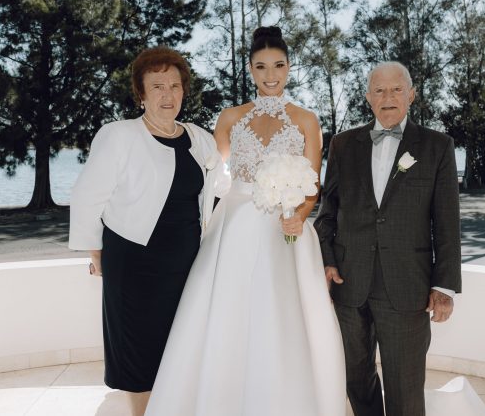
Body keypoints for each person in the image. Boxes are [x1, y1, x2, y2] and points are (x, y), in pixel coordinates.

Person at [144, 26, 347, 416]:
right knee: (226, 317)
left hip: (286, 233)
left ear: (289, 67)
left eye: (279, 65)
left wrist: (300, 215)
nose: (271, 75)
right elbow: (212, 174)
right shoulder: (230, 118)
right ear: (250, 70)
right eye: (261, 67)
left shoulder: (307, 120)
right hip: (234, 228)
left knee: (282, 319)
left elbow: (313, 185)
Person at [68, 46, 225, 416]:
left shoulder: (199, 138)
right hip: (133, 261)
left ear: (184, 91)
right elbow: (87, 197)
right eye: (157, 86)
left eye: (175, 86)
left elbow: (223, 187)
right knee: (138, 350)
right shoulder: (119, 135)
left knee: (178, 345)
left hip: (187, 263)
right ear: (141, 93)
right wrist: (96, 254)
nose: (167, 95)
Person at [314, 61, 462, 416]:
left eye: (397, 89)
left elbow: (446, 222)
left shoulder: (437, 146)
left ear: (411, 95)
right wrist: (327, 260)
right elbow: (327, 212)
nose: (388, 97)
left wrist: (444, 286)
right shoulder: (342, 144)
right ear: (368, 98)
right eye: (379, 90)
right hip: (349, 282)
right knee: (354, 378)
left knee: (405, 387)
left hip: (407, 285)